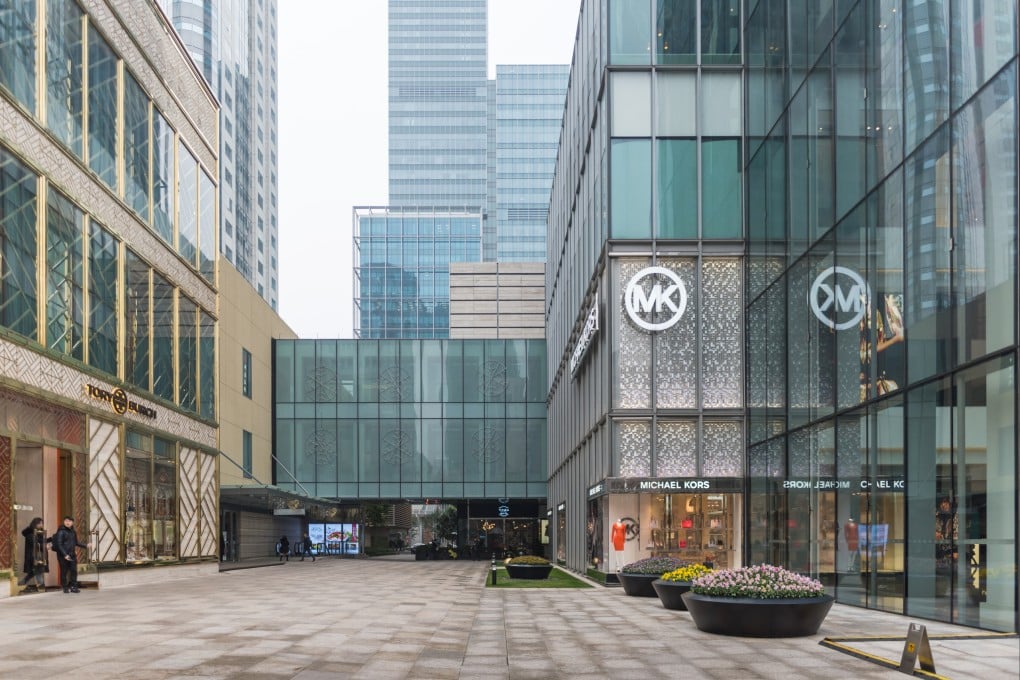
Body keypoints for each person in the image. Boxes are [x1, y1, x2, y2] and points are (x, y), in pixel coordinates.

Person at [53, 515, 90, 593]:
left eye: (69, 521)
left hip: (72, 554)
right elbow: (59, 544)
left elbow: (76, 543)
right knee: (64, 571)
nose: (67, 522)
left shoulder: (73, 532)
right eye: (66, 521)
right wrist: (65, 555)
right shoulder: (61, 531)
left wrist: (86, 545)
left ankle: (74, 587)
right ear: (64, 522)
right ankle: (65, 587)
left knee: (74, 571)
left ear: (72, 523)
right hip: (63, 555)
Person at [18, 517, 48, 594]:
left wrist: (51, 539)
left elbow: (42, 542)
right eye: (40, 523)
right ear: (35, 524)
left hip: (39, 555)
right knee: (38, 570)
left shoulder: (39, 532)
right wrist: (45, 546)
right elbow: (36, 544)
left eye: (42, 523)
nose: (41, 525)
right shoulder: (30, 534)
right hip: (33, 555)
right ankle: (41, 587)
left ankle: (23, 582)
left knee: (36, 570)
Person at [935, 497, 958, 570]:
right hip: (942, 546)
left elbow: (957, 533)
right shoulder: (938, 516)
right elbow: (936, 531)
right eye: (941, 504)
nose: (943, 505)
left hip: (953, 546)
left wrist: (955, 550)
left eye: (945, 503)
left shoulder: (956, 515)